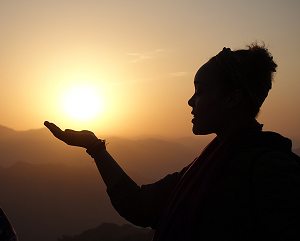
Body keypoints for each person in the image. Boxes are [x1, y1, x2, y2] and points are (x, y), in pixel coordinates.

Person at [44, 43, 300, 240]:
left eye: (199, 91)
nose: (190, 101)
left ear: (232, 99)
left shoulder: (272, 170)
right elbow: (137, 205)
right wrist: (94, 147)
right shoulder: (204, 167)